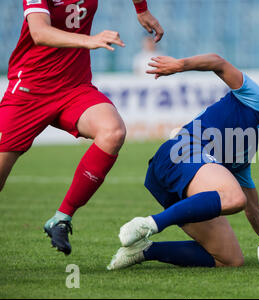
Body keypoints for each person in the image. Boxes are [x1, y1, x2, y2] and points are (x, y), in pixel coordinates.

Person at [107, 53, 259, 270]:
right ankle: (148, 224)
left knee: (229, 259)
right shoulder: (257, 100)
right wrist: (180, 65)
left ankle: (143, 251)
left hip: (171, 183)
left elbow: (254, 208)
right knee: (234, 197)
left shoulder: (244, 154)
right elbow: (218, 62)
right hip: (177, 154)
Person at [0, 0, 163, 256]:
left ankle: (61, 218)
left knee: (113, 132)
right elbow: (39, 32)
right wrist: (88, 40)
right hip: (29, 91)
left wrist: (141, 9)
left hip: (74, 88)